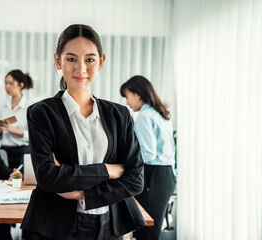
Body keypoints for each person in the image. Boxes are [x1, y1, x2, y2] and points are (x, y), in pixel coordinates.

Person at [21, 24, 145, 240]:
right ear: (58, 61)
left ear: (101, 62)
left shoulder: (120, 115)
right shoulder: (41, 113)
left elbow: (135, 180)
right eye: (71, 59)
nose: (81, 69)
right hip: (57, 226)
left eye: (89, 59)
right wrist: (108, 170)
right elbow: (48, 178)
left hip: (110, 224)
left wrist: (83, 194)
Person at [120, 75, 176, 240]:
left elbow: (148, 154)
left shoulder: (144, 117)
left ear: (137, 94)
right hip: (166, 175)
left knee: (146, 229)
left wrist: (124, 163)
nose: (127, 103)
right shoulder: (160, 114)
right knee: (152, 227)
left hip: (154, 175)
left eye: (127, 96)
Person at [0, 69, 33, 174]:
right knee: (5, 181)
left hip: (22, 152)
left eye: (11, 83)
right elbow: (1, 136)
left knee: (20, 183)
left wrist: (15, 131)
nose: (7, 86)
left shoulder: (29, 107)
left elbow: (35, 135)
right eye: (6, 83)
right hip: (4, 151)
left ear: (21, 85)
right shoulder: (3, 107)